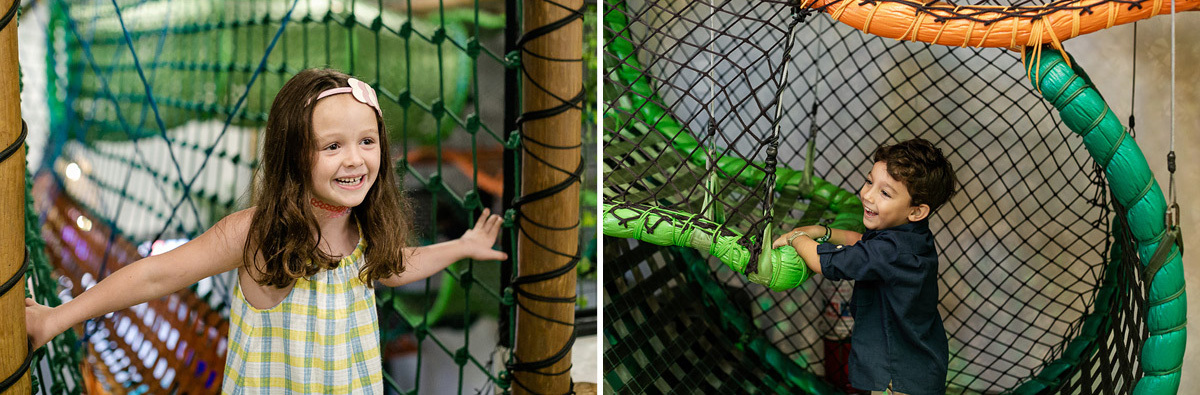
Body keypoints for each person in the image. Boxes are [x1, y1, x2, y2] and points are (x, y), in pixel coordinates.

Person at [24, 68, 508, 394]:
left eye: (366, 141)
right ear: (295, 154)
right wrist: (57, 318)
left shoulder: (361, 228)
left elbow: (397, 265)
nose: (355, 159)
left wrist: (461, 246)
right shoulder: (260, 233)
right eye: (332, 146)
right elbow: (156, 275)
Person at [772, 138, 957, 395]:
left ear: (916, 211)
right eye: (870, 181)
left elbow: (827, 263)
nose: (867, 195)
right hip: (917, 366)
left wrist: (796, 238)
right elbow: (860, 242)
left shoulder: (892, 250)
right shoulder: (908, 235)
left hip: (899, 377)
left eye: (885, 193)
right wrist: (822, 231)